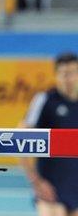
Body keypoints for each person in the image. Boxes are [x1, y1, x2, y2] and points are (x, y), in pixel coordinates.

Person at [21, 52, 78, 216]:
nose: (69, 79)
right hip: (50, 189)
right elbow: (18, 141)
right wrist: (37, 182)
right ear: (56, 75)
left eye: (73, 73)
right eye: (64, 74)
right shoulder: (44, 100)